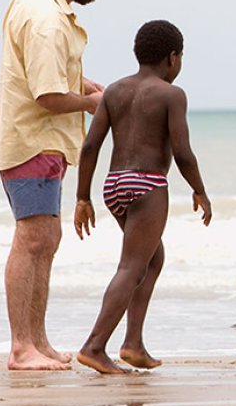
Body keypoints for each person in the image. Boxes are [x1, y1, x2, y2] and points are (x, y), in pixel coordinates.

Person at [0, 0, 108, 370]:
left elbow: (46, 76)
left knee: (47, 238)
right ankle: (22, 347)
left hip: (41, 142)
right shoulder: (46, 18)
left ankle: (37, 340)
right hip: (32, 141)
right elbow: (46, 96)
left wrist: (82, 83)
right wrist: (92, 103)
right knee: (33, 238)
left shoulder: (38, 3)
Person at [73, 20, 212, 374]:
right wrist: (199, 189)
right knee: (132, 266)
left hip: (114, 185)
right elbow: (183, 153)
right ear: (172, 58)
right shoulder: (171, 95)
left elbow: (91, 145)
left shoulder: (114, 92)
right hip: (148, 186)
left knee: (151, 258)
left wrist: (82, 197)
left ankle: (133, 344)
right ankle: (94, 345)